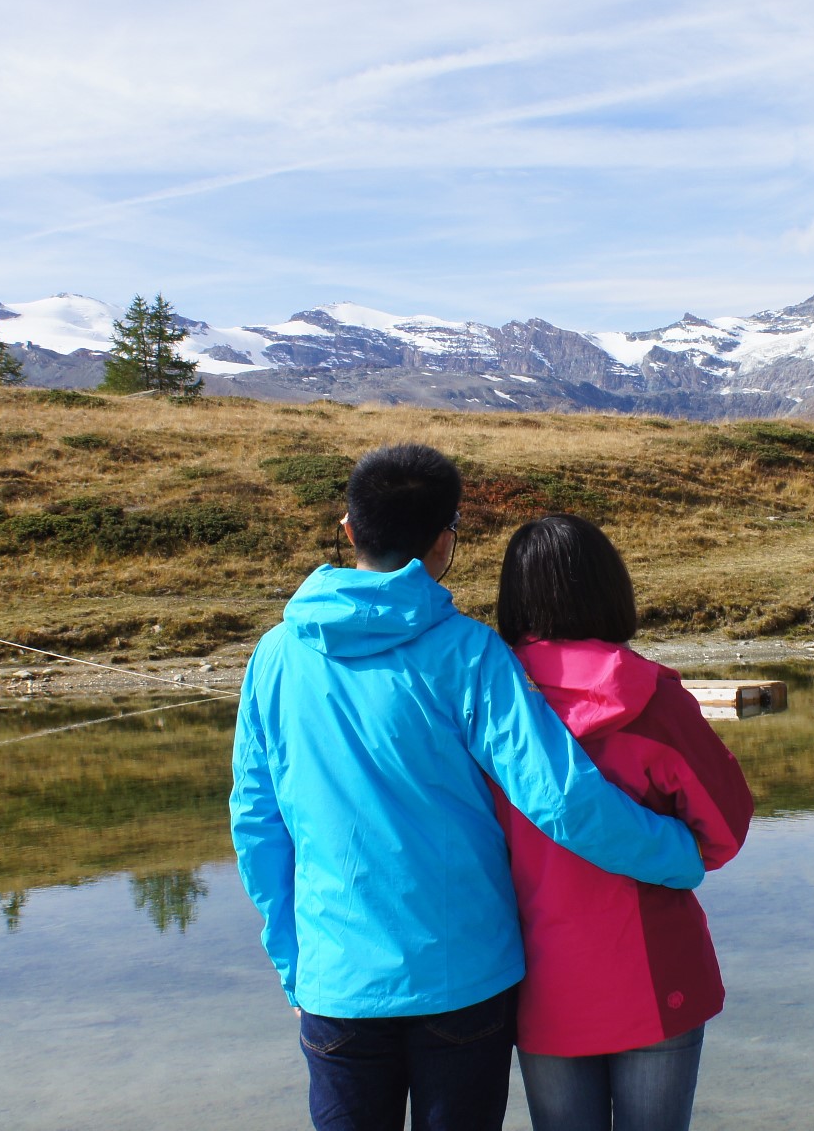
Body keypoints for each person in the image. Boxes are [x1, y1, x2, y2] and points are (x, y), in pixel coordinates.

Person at [230, 444, 707, 1131]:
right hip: (466, 984)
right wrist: (675, 852)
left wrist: (294, 965)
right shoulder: (470, 653)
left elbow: (256, 825)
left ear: (348, 527)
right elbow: (563, 798)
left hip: (337, 983)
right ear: (443, 540)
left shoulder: (274, 656)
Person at [494, 513, 754, 1131]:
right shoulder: (650, 698)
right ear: (608, 586)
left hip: (535, 979)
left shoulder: (487, 700)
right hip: (654, 974)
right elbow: (725, 829)